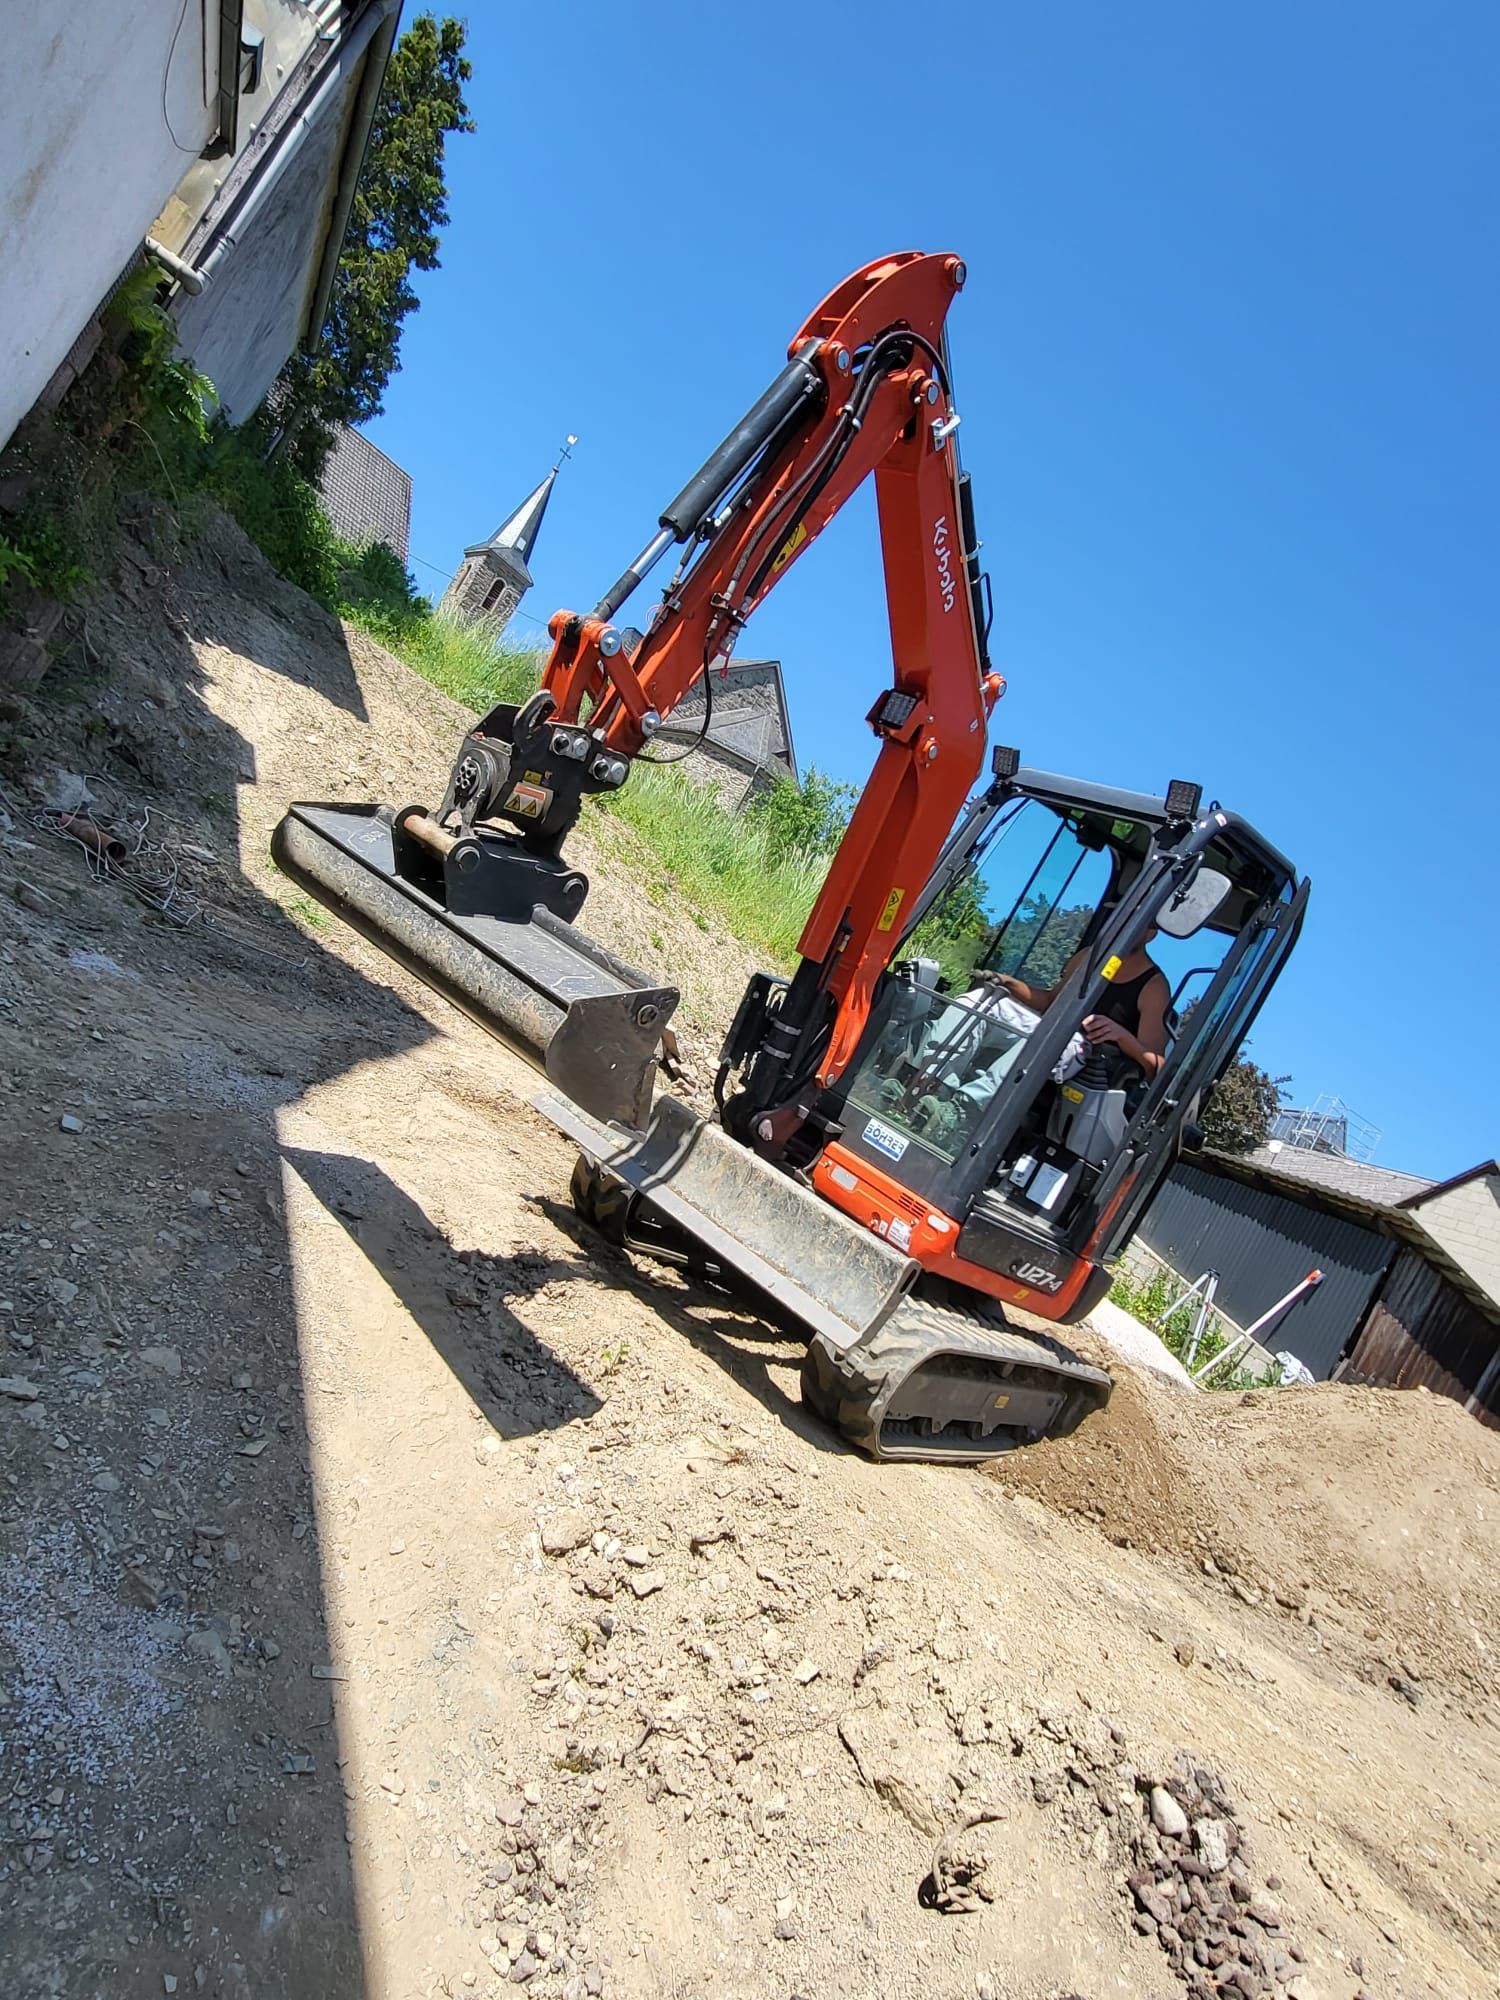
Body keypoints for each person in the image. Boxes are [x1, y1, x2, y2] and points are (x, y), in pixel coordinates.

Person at [982, 932, 1170, 1081]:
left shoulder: (1154, 986)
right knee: (984, 1001)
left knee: (1051, 1040)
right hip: (1050, 1029)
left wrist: (1120, 1035)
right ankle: (950, 1078)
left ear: (1150, 934)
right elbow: (1051, 1002)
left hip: (1089, 1058)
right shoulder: (1088, 956)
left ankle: (966, 1106)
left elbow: (1156, 1065)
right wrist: (1006, 983)